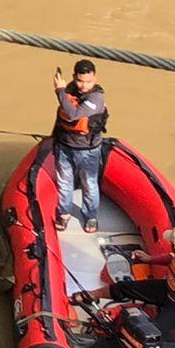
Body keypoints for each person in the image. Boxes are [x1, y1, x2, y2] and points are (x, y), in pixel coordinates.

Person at [73, 226, 175, 340]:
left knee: (151, 332)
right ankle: (93, 295)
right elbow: (171, 257)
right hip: (168, 291)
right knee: (124, 287)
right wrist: (150, 259)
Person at [51, 59, 108, 234]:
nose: (84, 86)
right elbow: (62, 114)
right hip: (65, 145)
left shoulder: (96, 97)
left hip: (88, 150)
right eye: (80, 81)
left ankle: (90, 216)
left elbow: (74, 114)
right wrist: (53, 137)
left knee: (89, 184)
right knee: (64, 182)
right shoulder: (69, 90)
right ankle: (64, 213)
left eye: (89, 81)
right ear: (74, 77)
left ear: (95, 78)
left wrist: (59, 90)